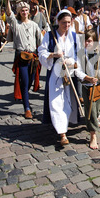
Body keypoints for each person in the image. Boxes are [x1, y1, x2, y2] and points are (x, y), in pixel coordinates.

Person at [38, 9, 80, 147]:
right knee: (56, 101)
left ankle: (65, 124)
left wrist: (74, 64)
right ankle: (62, 133)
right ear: (58, 22)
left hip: (70, 73)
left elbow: (79, 54)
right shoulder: (50, 36)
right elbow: (41, 52)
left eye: (69, 22)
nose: (66, 25)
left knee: (68, 101)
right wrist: (53, 55)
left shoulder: (74, 36)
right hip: (55, 74)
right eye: (63, 22)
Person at [5, 0, 42, 119]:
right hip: (21, 57)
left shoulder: (34, 25)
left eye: (26, 10)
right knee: (25, 82)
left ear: (29, 11)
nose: (25, 12)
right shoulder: (16, 24)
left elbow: (41, 42)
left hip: (33, 57)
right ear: (19, 12)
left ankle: (24, 98)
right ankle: (27, 108)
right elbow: (9, 14)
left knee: (30, 82)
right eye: (22, 10)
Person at [76, 29, 100, 149]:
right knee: (90, 111)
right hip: (87, 86)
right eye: (86, 41)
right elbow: (77, 70)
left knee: (97, 109)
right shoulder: (80, 53)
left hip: (98, 85)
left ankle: (94, 120)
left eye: (90, 41)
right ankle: (93, 135)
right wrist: (87, 78)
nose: (88, 43)